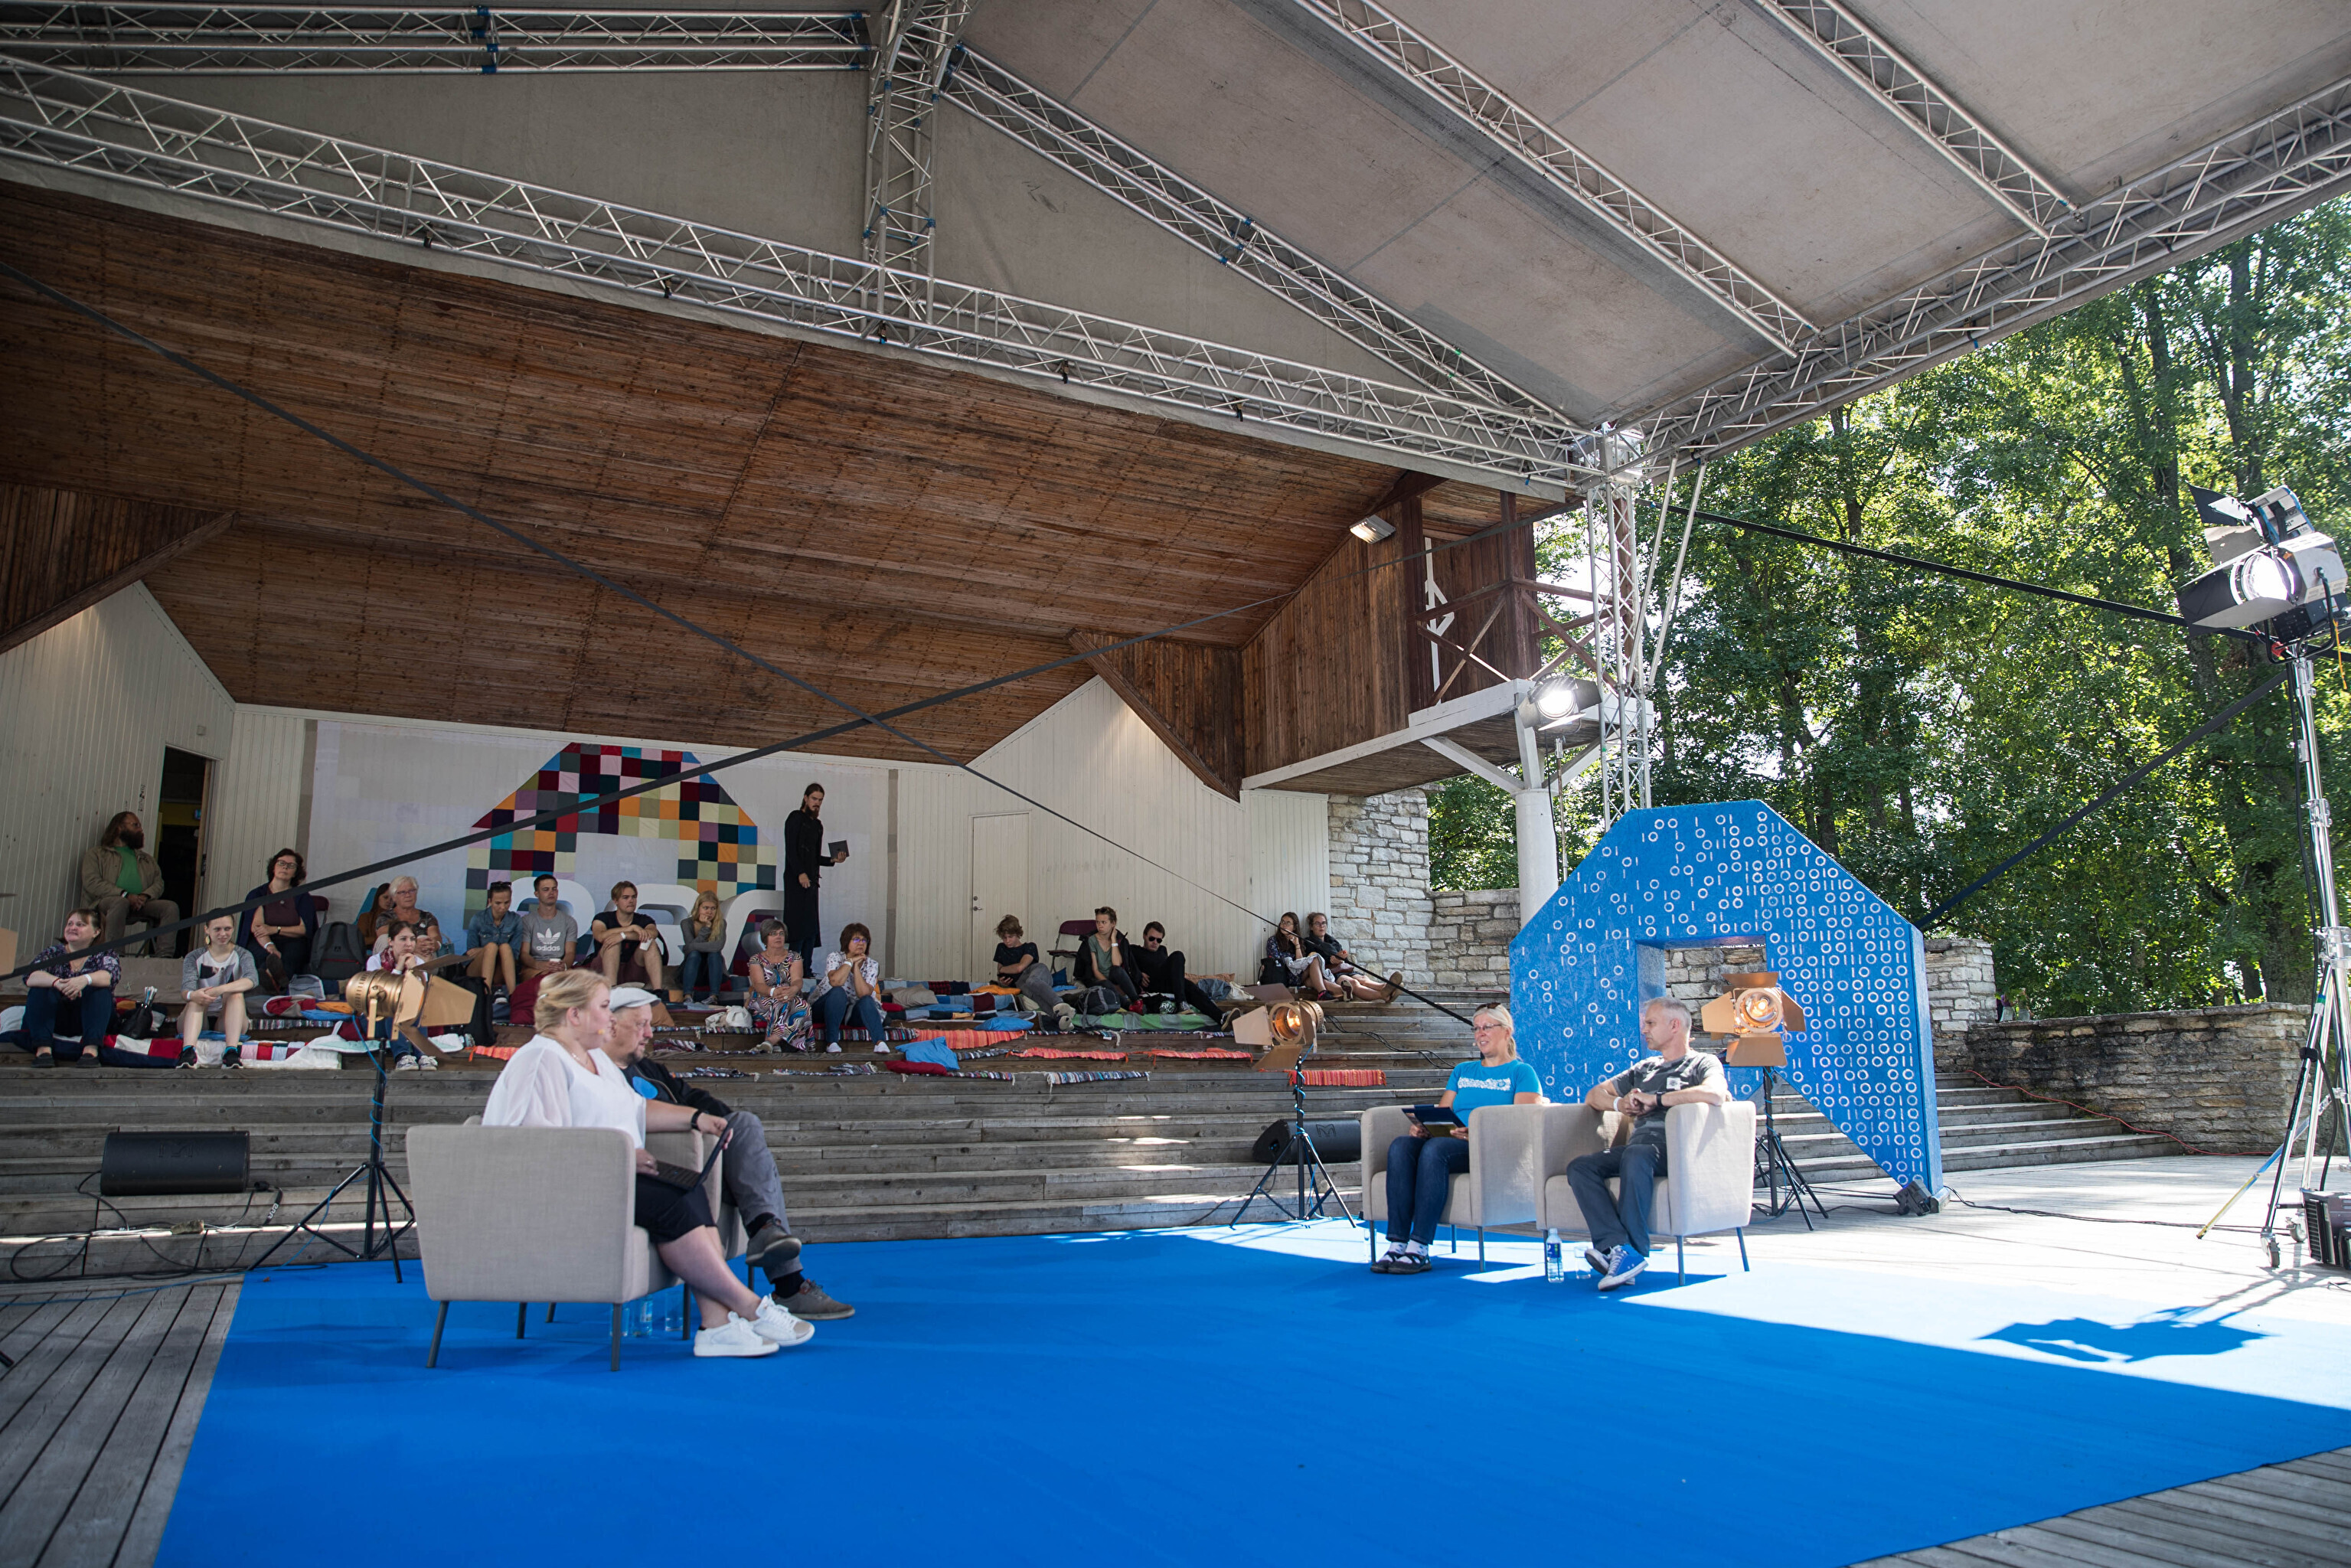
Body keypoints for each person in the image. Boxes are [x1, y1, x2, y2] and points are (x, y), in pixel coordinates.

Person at [479, 971, 812, 1359]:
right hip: (562, 1190)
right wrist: (617, 1154)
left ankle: (717, 1325)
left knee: (688, 1189)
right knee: (673, 1204)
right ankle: (750, 1307)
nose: (609, 1018)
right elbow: (531, 1145)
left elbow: (637, 1109)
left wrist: (696, 1118)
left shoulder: (593, 1058)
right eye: (604, 1008)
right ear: (574, 1014)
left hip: (605, 1178)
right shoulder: (540, 1059)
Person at [602, 986, 854, 1320]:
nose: (650, 1034)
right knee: (755, 1171)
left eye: (650, 1024)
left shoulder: (650, 1069)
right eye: (640, 1025)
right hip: (659, 1167)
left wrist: (721, 1123)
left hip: (701, 1157)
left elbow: (694, 1097)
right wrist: (695, 1122)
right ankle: (785, 1276)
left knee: (744, 1125)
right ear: (610, 1025)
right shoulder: (598, 1075)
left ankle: (768, 1231)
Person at [1567, 997, 1730, 1292]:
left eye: (1651, 1023)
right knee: (1581, 1166)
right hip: (1638, 1149)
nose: (1644, 1030)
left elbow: (1716, 1093)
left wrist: (1657, 1100)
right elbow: (1594, 1095)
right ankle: (1617, 1247)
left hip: (1675, 1149)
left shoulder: (1701, 1063)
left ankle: (1634, 1252)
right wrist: (1620, 1104)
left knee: (1637, 1154)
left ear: (1675, 1025)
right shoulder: (1645, 1068)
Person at [1373, 1004, 1542, 1274]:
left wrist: (1479, 1131)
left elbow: (1522, 1122)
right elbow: (1443, 1112)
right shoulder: (1463, 1071)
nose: (1480, 1034)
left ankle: (1420, 1246)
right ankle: (1397, 1243)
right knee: (1401, 1145)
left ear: (1507, 1031)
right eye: (1477, 1028)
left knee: (1436, 1149)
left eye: (1487, 1027)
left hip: (1486, 1147)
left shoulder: (1522, 1073)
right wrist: (1424, 1127)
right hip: (1451, 1138)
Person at [14, 909, 119, 1067]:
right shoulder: (53, 952)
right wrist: (57, 982)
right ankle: (43, 1051)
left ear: (96, 932)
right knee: (40, 989)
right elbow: (30, 976)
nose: (72, 928)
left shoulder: (104, 954)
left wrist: (84, 980)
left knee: (99, 990)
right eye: (70, 924)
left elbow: (109, 975)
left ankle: (90, 1051)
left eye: (80, 924)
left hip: (89, 1019)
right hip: (58, 1017)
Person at [77, 812, 180, 956]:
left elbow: (159, 882)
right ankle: (115, 954)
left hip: (140, 904)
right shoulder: (97, 854)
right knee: (120, 902)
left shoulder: (146, 859)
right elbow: (92, 882)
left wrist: (144, 896)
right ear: (119, 827)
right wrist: (125, 895)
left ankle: (164, 956)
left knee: (170, 907)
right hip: (106, 904)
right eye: (135, 825)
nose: (140, 830)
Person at [177, 913, 258, 1069]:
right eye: (217, 929)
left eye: (227, 929)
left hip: (229, 1018)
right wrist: (194, 995)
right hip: (198, 1017)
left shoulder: (243, 954)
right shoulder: (194, 956)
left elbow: (252, 980)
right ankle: (188, 1052)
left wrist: (220, 990)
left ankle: (231, 1052)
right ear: (207, 930)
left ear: (233, 929)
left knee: (235, 993)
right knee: (197, 997)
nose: (223, 934)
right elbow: (186, 990)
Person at [782, 782, 846, 968]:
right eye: (814, 799)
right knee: (797, 926)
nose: (817, 803)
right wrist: (800, 873)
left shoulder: (817, 825)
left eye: (820, 800)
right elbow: (791, 850)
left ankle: (807, 967)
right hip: (796, 880)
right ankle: (793, 968)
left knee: (810, 927)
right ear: (806, 798)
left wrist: (832, 860)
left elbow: (814, 857)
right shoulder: (795, 818)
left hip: (811, 881)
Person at [243, 848, 322, 992]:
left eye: (291, 865)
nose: (285, 867)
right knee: (265, 956)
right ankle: (277, 983)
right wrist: (270, 947)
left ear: (296, 873)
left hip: (293, 940)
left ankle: (268, 982)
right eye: (281, 863)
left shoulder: (302, 896)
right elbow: (257, 928)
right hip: (263, 941)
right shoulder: (258, 894)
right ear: (273, 867)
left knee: (292, 954)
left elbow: (304, 929)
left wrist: (275, 929)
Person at [510, 874, 578, 1021]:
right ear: (537, 894)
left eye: (554, 889)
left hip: (559, 968)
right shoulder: (527, 921)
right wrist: (540, 965)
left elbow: (570, 953)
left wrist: (563, 966)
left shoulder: (569, 921)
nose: (551, 893)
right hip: (533, 968)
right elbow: (524, 954)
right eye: (546, 889)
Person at [813, 923, 886, 1050]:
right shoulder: (835, 957)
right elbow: (835, 982)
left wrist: (856, 967)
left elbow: (863, 994)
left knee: (867, 1000)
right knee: (838, 992)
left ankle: (880, 1043)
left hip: (850, 1013)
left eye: (864, 940)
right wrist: (850, 961)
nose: (861, 943)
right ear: (847, 941)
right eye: (856, 939)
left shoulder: (872, 964)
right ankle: (831, 1043)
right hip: (826, 1007)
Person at [744, 919, 812, 1051]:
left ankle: (770, 1041)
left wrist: (793, 989)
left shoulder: (794, 957)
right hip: (764, 999)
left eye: (781, 934)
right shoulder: (756, 959)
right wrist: (774, 992)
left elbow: (797, 980)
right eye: (774, 934)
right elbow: (758, 984)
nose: (778, 937)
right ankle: (776, 1043)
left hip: (790, 997)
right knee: (792, 1004)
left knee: (798, 1004)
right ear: (765, 938)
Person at [1304, 912, 1401, 1001]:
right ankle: (1382, 995)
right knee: (1353, 983)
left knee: (1363, 978)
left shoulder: (1333, 942)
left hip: (1342, 968)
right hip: (1330, 973)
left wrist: (1342, 958)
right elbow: (1312, 961)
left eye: (1324, 923)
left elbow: (1344, 960)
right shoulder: (1308, 943)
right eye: (1317, 924)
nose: (1321, 926)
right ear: (1311, 927)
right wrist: (1331, 960)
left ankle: (1385, 987)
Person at [1128, 922, 1220, 1016]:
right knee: (1178, 956)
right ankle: (1181, 1003)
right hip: (1151, 983)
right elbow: (1123, 965)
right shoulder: (1134, 950)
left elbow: (1171, 968)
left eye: (1159, 940)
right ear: (1144, 936)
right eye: (1152, 939)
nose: (1155, 942)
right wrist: (1138, 974)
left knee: (1190, 987)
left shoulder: (1162, 950)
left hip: (1167, 983)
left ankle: (1221, 1017)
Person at [589, 880, 666, 992]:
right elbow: (600, 936)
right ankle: (612, 991)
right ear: (616, 901)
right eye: (625, 897)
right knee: (613, 942)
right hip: (603, 971)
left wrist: (624, 936)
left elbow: (653, 934)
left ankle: (658, 992)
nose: (631, 901)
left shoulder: (644, 919)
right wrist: (630, 928)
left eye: (634, 897)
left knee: (649, 943)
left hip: (633, 970)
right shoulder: (602, 918)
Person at [991, 915, 1064, 1016]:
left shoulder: (1030, 947)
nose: (1007, 941)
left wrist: (1003, 969)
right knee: (1031, 993)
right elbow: (999, 972)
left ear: (1018, 934)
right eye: (1004, 938)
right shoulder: (1001, 948)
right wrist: (1003, 981)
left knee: (1032, 981)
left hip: (1035, 972)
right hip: (1020, 982)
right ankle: (1058, 1016)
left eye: (1011, 937)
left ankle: (1059, 1003)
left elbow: (1020, 968)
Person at [464, 880, 522, 998]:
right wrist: (489, 949)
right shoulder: (478, 919)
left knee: (505, 948)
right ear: (490, 901)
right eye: (498, 903)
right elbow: (471, 953)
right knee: (491, 947)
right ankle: (487, 993)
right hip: (477, 969)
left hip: (502, 969)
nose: (503, 907)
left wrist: (490, 949)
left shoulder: (516, 920)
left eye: (507, 902)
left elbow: (515, 954)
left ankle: (513, 995)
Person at [1076, 906, 1139, 1009]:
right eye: (1097, 922)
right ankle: (1129, 1006)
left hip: (1113, 976)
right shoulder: (1091, 940)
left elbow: (1117, 964)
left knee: (1118, 970)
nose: (1100, 926)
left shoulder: (1120, 940)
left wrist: (1113, 939)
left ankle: (1137, 1001)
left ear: (1113, 923)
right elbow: (1095, 971)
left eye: (1104, 922)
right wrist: (1113, 987)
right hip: (1098, 979)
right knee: (1106, 984)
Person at [677, 890, 729, 1002]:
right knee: (694, 954)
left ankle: (714, 996)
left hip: (713, 972)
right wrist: (705, 929)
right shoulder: (686, 923)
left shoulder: (721, 923)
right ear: (698, 908)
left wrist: (691, 946)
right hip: (692, 971)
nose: (709, 912)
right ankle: (687, 996)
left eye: (713, 908)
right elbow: (690, 950)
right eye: (706, 908)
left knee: (714, 954)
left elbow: (718, 946)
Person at [1263, 912, 1330, 997]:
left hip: (1299, 976)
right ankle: (1328, 993)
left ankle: (1331, 993)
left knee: (1315, 961)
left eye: (1288, 923)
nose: (1284, 925)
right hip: (1285, 976)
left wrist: (1297, 945)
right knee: (1314, 981)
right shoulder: (1273, 941)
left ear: (1294, 927)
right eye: (1282, 922)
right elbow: (1276, 963)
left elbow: (1301, 963)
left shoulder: (1298, 941)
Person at [368, 877, 437, 956]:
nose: (408, 895)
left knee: (424, 939)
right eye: (402, 892)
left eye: (411, 891)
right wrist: (413, 943)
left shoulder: (427, 916)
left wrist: (429, 944)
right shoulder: (385, 916)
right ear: (394, 897)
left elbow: (435, 937)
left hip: (420, 956)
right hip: (395, 956)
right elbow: (383, 934)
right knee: (385, 939)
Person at [355, 883, 397, 950]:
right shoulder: (365, 917)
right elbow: (360, 940)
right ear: (378, 898)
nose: (388, 901)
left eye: (392, 899)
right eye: (385, 897)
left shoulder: (398, 919)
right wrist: (381, 939)